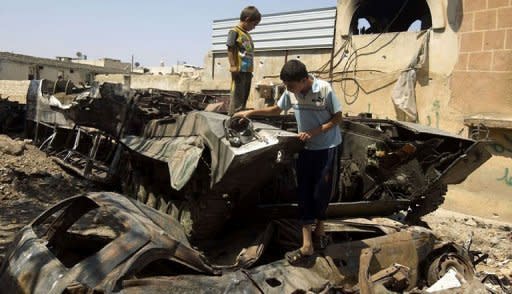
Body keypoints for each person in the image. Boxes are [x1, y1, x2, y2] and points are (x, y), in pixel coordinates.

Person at [235, 59, 343, 265]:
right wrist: (250, 112)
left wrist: (314, 132)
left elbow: (338, 118)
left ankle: (319, 231)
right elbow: (277, 110)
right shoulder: (291, 92)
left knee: (322, 192)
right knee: (304, 192)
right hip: (305, 149)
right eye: (286, 86)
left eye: (291, 86)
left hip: (327, 147)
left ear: (304, 80)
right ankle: (307, 245)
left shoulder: (324, 90)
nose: (289, 90)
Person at [226, 6, 261, 116]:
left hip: (247, 71)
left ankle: (239, 121)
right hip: (239, 71)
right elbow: (230, 48)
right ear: (247, 19)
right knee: (237, 99)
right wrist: (233, 65)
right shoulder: (234, 31)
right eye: (254, 24)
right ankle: (232, 121)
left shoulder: (247, 34)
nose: (254, 27)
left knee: (244, 98)